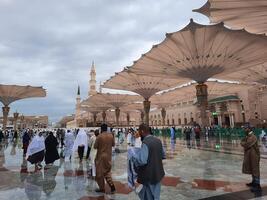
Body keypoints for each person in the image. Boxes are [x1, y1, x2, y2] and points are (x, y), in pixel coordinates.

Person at [132, 123, 165, 200]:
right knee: (156, 195)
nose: (139, 133)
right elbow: (163, 155)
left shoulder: (146, 143)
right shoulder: (158, 140)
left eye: (139, 131)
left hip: (149, 175)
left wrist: (134, 158)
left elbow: (142, 161)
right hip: (158, 173)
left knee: (149, 196)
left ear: (142, 131)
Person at [94, 124, 116, 193]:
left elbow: (95, 146)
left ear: (101, 129)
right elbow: (113, 144)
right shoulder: (110, 136)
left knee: (99, 173)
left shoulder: (99, 136)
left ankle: (102, 188)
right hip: (108, 156)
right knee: (107, 172)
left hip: (100, 157)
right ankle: (112, 186)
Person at [241, 126, 261, 192]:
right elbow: (243, 141)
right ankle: (254, 182)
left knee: (255, 170)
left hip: (254, 156)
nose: (244, 130)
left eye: (246, 129)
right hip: (250, 156)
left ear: (249, 129)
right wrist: (243, 141)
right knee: (252, 169)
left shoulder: (253, 137)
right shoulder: (248, 136)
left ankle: (257, 186)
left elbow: (246, 144)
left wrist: (242, 142)